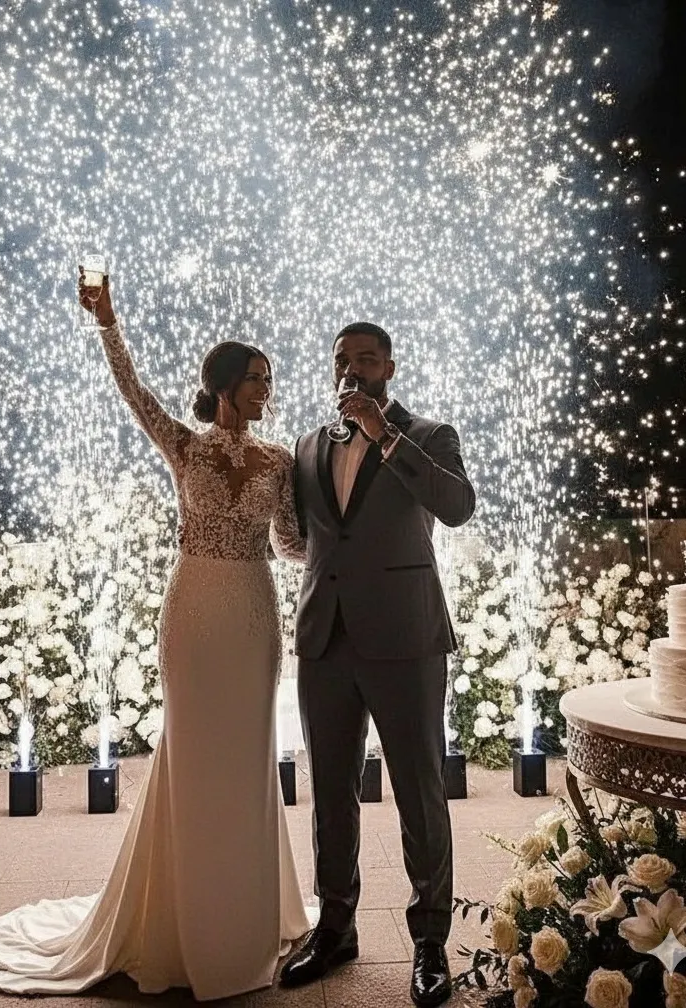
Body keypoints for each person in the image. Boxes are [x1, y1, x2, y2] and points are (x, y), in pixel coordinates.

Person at [0, 272, 311, 1000]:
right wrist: (108, 323)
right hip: (194, 612)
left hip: (253, 613)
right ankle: (183, 919)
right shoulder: (184, 446)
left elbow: (291, 544)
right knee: (192, 754)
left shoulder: (280, 460)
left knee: (248, 756)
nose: (264, 390)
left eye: (268, 380)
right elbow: (133, 390)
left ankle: (245, 914)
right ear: (221, 385)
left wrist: (355, 544)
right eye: (253, 378)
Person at [280, 321, 476, 1007]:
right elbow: (304, 536)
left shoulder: (429, 435)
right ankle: (335, 927)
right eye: (342, 359)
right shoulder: (307, 446)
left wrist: (382, 433)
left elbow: (457, 507)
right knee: (330, 792)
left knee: (419, 791)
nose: (352, 368)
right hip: (324, 639)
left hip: (405, 638)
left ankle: (429, 943)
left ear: (389, 367)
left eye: (366, 358)